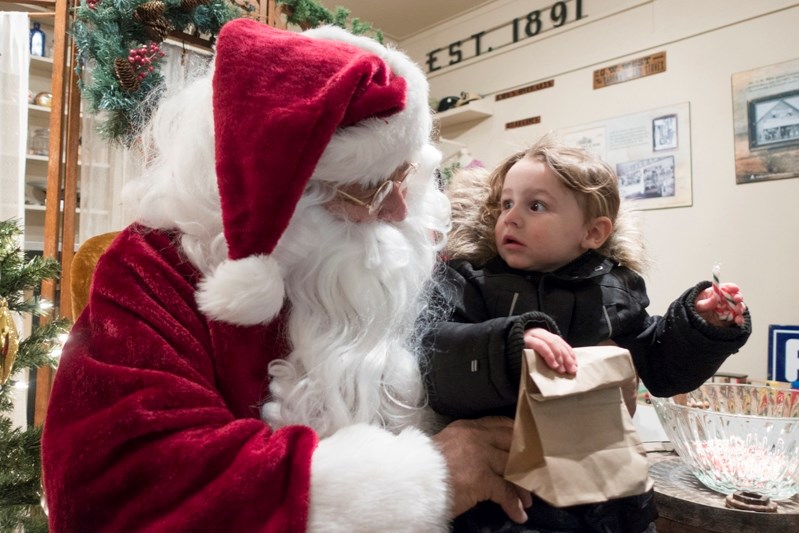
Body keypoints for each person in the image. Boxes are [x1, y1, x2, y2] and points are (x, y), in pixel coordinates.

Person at [41, 19, 533, 532]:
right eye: (369, 192)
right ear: (285, 200)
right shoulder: (151, 270)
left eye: (404, 176)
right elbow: (125, 485)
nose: (397, 211)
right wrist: (426, 481)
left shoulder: (398, 248)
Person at [424, 135, 752, 532]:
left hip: (608, 495)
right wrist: (509, 347)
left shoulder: (617, 288)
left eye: (536, 205)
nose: (510, 217)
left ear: (593, 233)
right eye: (506, 203)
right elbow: (437, 361)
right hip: (511, 493)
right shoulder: (470, 280)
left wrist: (700, 326)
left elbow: (661, 369)